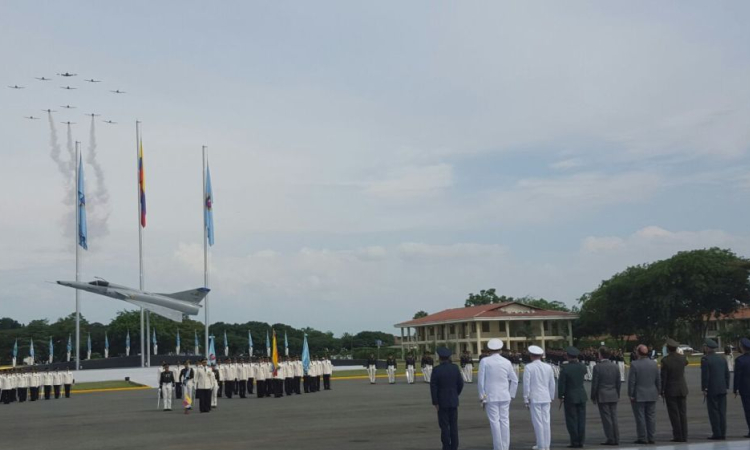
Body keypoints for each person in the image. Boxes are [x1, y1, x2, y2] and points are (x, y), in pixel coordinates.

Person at [477, 338, 518, 450]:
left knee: (494, 422)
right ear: (500, 350)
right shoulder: (507, 362)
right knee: (505, 421)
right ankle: (505, 446)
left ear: (489, 350)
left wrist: (482, 397)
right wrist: (511, 394)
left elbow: (481, 381)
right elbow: (514, 380)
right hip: (505, 396)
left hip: (491, 396)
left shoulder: (485, 361)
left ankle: (498, 447)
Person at [431, 347, 464, 450]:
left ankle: (446, 446)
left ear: (440, 358)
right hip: (453, 400)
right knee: (454, 426)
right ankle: (454, 446)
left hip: (442, 402)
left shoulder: (436, 370)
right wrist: (455, 393)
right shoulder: (455, 368)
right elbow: (460, 384)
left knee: (444, 426)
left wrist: (435, 402)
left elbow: (433, 387)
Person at [524, 345, 555, 450]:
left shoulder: (529, 367)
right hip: (546, 397)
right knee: (546, 421)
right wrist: (551, 396)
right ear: (541, 356)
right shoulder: (548, 367)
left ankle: (541, 445)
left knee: (538, 422)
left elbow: (526, 385)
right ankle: (546, 445)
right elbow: (552, 383)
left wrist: (526, 398)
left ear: (531, 356)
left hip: (535, 397)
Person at [629, 344, 660, 445]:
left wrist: (631, 394)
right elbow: (658, 380)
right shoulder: (654, 364)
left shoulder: (634, 364)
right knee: (651, 417)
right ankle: (651, 437)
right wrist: (658, 391)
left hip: (639, 394)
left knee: (640, 417)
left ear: (638, 352)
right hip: (651, 393)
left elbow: (632, 382)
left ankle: (642, 437)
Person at [591, 346, 621, 446]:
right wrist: (618, 393)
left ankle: (610, 438)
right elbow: (618, 383)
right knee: (614, 417)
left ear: (600, 355)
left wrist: (593, 396)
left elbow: (595, 383)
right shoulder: (615, 366)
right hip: (613, 393)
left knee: (606, 418)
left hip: (602, 394)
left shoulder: (597, 367)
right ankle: (616, 437)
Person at [559, 346, 587, 448]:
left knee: (572, 420)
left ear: (568, 356)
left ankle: (574, 441)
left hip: (570, 396)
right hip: (581, 395)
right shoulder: (582, 366)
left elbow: (562, 384)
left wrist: (561, 395)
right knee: (581, 420)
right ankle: (581, 441)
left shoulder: (565, 368)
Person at [661, 338, 688, 443]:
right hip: (682, 388)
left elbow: (664, 378)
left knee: (674, 414)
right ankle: (684, 435)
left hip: (671, 390)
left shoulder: (665, 360)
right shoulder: (683, 358)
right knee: (682, 413)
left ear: (668, 349)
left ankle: (678, 435)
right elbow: (685, 363)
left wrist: (661, 390)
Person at [702, 338, 729, 440]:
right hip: (722, 389)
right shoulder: (722, 359)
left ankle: (717, 433)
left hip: (712, 389)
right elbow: (727, 374)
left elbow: (705, 376)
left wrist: (705, 388)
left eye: (705, 347)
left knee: (713, 412)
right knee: (722, 412)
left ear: (707, 348)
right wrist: (725, 386)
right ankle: (723, 432)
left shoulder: (706, 359)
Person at [733, 337, 750, 438]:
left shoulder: (740, 360)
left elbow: (737, 377)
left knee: (748, 410)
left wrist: (735, 389)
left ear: (742, 348)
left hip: (746, 390)